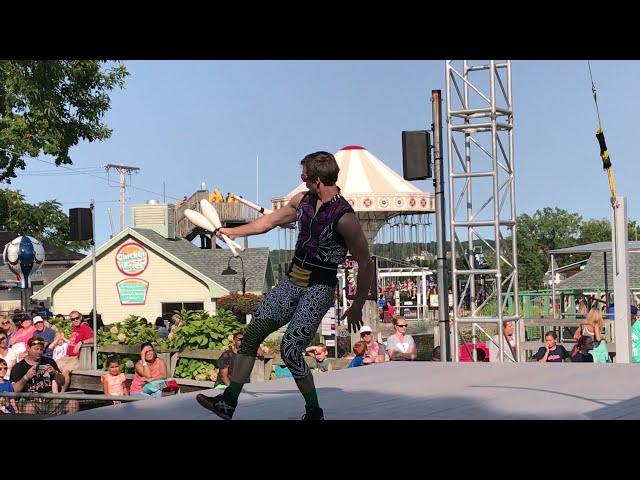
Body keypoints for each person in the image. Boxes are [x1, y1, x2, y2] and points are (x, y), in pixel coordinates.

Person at [196, 151, 374, 420]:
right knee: (254, 331)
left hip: (319, 288)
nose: (301, 181)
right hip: (292, 281)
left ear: (316, 180)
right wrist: (231, 232)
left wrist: (358, 303)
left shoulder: (344, 217)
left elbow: (365, 261)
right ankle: (228, 402)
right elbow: (269, 222)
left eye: (304, 176)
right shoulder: (303, 200)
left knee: (290, 349)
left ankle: (314, 412)